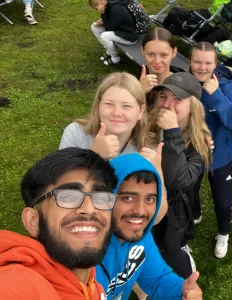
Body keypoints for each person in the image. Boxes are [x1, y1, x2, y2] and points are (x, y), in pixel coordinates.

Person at [0, 148, 118, 299]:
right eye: (68, 197)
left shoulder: (92, 285)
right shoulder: (20, 284)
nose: (89, 209)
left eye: (101, 198)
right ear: (33, 220)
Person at [59, 72, 167, 224]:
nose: (117, 112)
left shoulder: (148, 148)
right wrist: (93, 155)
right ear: (98, 106)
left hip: (122, 228)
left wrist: (158, 173)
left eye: (126, 106)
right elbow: (60, 191)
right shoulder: (76, 133)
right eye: (109, 104)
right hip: (82, 221)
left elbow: (156, 217)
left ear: (140, 111)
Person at [97, 152, 203, 300]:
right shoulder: (83, 252)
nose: (140, 211)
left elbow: (158, 280)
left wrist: (181, 291)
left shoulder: (141, 236)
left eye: (150, 199)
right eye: (128, 198)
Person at [149, 72, 212, 278]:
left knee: (171, 244)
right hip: (148, 200)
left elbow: (178, 180)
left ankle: (181, 250)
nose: (168, 104)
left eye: (177, 99)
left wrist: (172, 132)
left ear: (193, 105)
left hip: (176, 211)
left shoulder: (200, 144)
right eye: (164, 97)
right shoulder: (148, 126)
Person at [188, 42, 232, 259]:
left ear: (215, 64)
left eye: (208, 63)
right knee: (189, 191)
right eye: (197, 62)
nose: (202, 67)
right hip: (191, 154)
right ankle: (195, 214)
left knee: (222, 200)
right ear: (190, 61)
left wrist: (217, 95)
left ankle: (223, 233)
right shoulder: (185, 83)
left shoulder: (226, 87)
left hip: (221, 156)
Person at [139, 27, 185, 109]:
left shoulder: (184, 85)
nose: (157, 61)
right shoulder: (132, 83)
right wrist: (138, 91)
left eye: (164, 55)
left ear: (174, 52)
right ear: (142, 51)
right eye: (151, 54)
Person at [89, 0, 138, 66]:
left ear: (100, 4)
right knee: (94, 26)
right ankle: (109, 50)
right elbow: (112, 22)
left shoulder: (115, 9)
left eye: (96, 8)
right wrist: (103, 21)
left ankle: (115, 57)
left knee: (104, 36)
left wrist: (103, 13)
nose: (97, 10)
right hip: (119, 29)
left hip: (129, 36)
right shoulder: (109, 4)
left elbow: (108, 29)